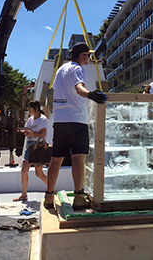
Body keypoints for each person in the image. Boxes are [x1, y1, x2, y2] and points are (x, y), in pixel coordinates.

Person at [44, 42, 107, 210]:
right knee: (78, 158)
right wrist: (91, 94)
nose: (89, 58)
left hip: (60, 120)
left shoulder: (60, 70)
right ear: (82, 55)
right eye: (88, 55)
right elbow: (79, 88)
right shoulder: (77, 69)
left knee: (56, 159)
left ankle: (49, 196)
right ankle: (79, 196)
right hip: (76, 120)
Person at [13, 100, 48, 201]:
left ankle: (52, 189)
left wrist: (33, 134)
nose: (29, 110)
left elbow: (43, 134)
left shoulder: (43, 119)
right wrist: (27, 132)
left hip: (38, 146)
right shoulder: (30, 119)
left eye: (30, 108)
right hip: (29, 146)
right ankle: (24, 194)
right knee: (24, 170)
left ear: (36, 108)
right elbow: (26, 130)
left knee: (39, 173)